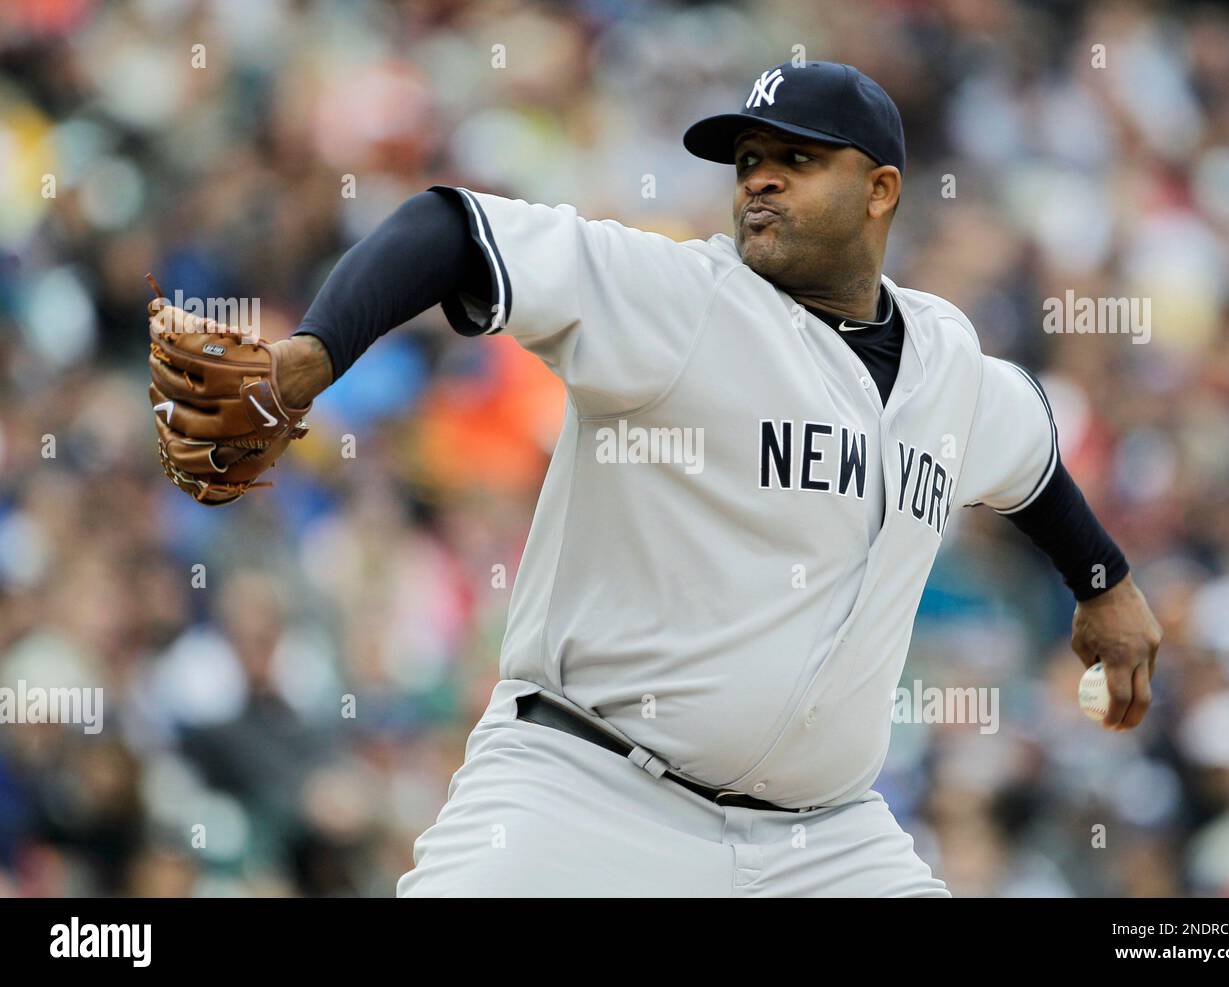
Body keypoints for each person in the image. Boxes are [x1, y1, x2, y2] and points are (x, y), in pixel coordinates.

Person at [233, 61, 1164, 896]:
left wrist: (1105, 585)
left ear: (881, 189)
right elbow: (450, 228)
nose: (760, 175)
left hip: (825, 841)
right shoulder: (680, 298)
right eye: (749, 156)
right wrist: (314, 353)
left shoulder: (948, 365)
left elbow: (1032, 460)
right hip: (589, 792)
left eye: (796, 159)